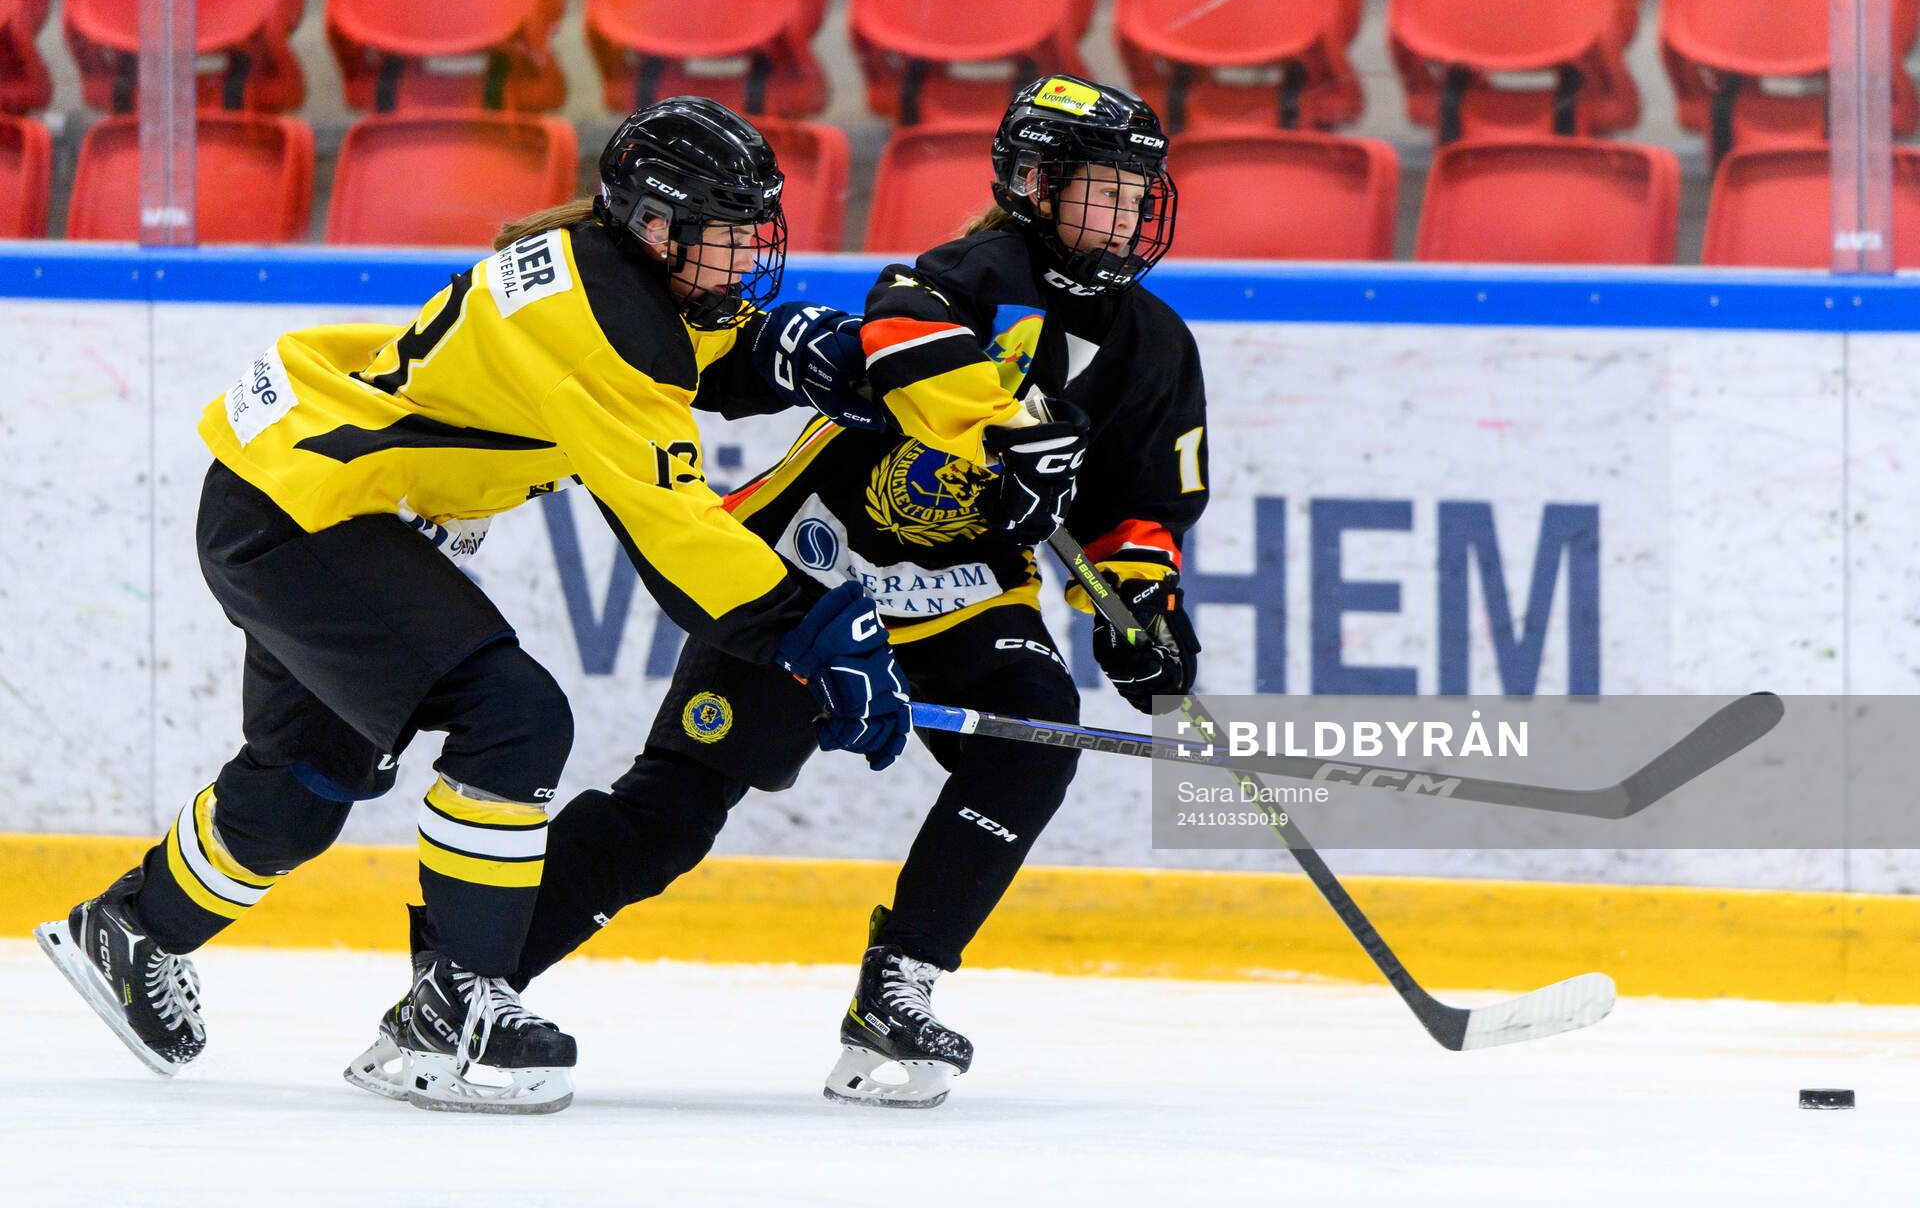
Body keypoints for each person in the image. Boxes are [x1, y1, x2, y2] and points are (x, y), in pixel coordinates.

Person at [33, 97, 911, 1115]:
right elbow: (675, 529)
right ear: (659, 226)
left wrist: (788, 355)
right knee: (516, 715)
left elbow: (692, 356)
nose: (749, 252)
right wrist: (815, 625)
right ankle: (458, 1000)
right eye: (728, 230)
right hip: (305, 514)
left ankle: (131, 927)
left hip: (293, 494)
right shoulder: (601, 321)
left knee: (309, 778)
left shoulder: (608, 272)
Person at [429, 73, 1208, 1110]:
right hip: (811, 567)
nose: (1122, 216)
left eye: (1133, 195)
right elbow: (899, 332)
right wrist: (997, 424)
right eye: (1100, 192)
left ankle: (902, 985)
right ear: (1031, 181)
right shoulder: (964, 276)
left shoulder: (1157, 346)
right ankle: (461, 979)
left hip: (968, 593)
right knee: (674, 808)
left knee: (1033, 736)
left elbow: (1140, 503)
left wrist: (1142, 608)